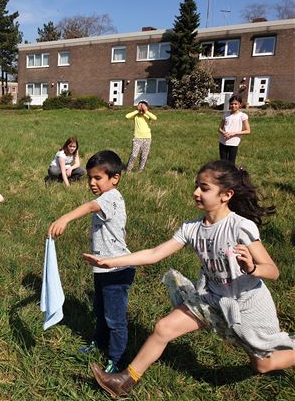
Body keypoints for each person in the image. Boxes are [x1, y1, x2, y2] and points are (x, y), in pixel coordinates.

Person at [84, 160, 295, 398]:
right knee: (164, 327)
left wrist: (252, 267)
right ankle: (124, 381)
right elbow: (155, 254)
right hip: (212, 298)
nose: (196, 192)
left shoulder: (240, 227)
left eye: (204, 188)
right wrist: (110, 262)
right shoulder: (191, 228)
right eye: (196, 186)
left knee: (263, 365)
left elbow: (273, 271)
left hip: (248, 306)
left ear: (226, 195)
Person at [49, 150, 135, 374]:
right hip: (102, 267)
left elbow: (89, 207)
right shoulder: (105, 197)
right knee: (100, 310)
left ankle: (118, 359)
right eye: (89, 178)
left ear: (114, 178)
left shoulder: (112, 197)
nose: (92, 183)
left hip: (117, 269)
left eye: (98, 178)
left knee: (115, 319)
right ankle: (99, 341)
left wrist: (64, 218)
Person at [125, 100, 157, 171]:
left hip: (147, 138)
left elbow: (155, 118)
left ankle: (140, 171)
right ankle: (128, 170)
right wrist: (137, 110)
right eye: (139, 106)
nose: (141, 108)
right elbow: (127, 116)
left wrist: (146, 111)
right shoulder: (136, 116)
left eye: (143, 106)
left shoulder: (147, 115)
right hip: (137, 139)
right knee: (134, 155)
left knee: (144, 156)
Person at [218, 95, 251, 165]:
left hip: (233, 143)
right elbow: (219, 128)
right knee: (223, 163)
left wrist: (234, 133)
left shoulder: (243, 116)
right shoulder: (226, 114)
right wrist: (223, 133)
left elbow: (248, 130)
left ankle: (231, 176)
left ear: (240, 104)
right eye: (231, 104)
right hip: (222, 141)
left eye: (235, 104)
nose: (233, 106)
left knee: (231, 163)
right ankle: (224, 175)